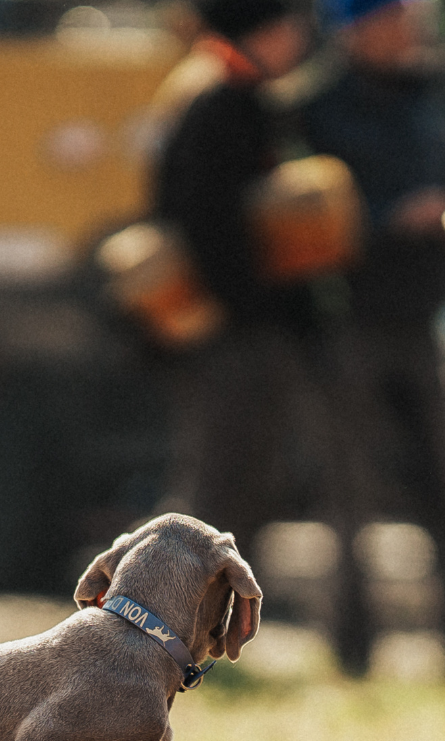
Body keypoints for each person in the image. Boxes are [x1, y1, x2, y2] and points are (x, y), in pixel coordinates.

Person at [300, 0, 445, 677]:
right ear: (359, 27)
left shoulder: (439, 93)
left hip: (426, 315)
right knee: (351, 495)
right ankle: (354, 650)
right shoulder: (313, 105)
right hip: (351, 317)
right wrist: (390, 220)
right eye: (397, 16)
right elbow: (304, 211)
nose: (413, 27)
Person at [153, 0, 318, 567]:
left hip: (240, 322)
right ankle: (169, 622)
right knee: (221, 488)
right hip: (233, 330)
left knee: (241, 482)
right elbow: (203, 223)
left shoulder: (236, 97)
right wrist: (253, 304)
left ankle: (207, 629)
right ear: (264, 32)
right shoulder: (221, 104)